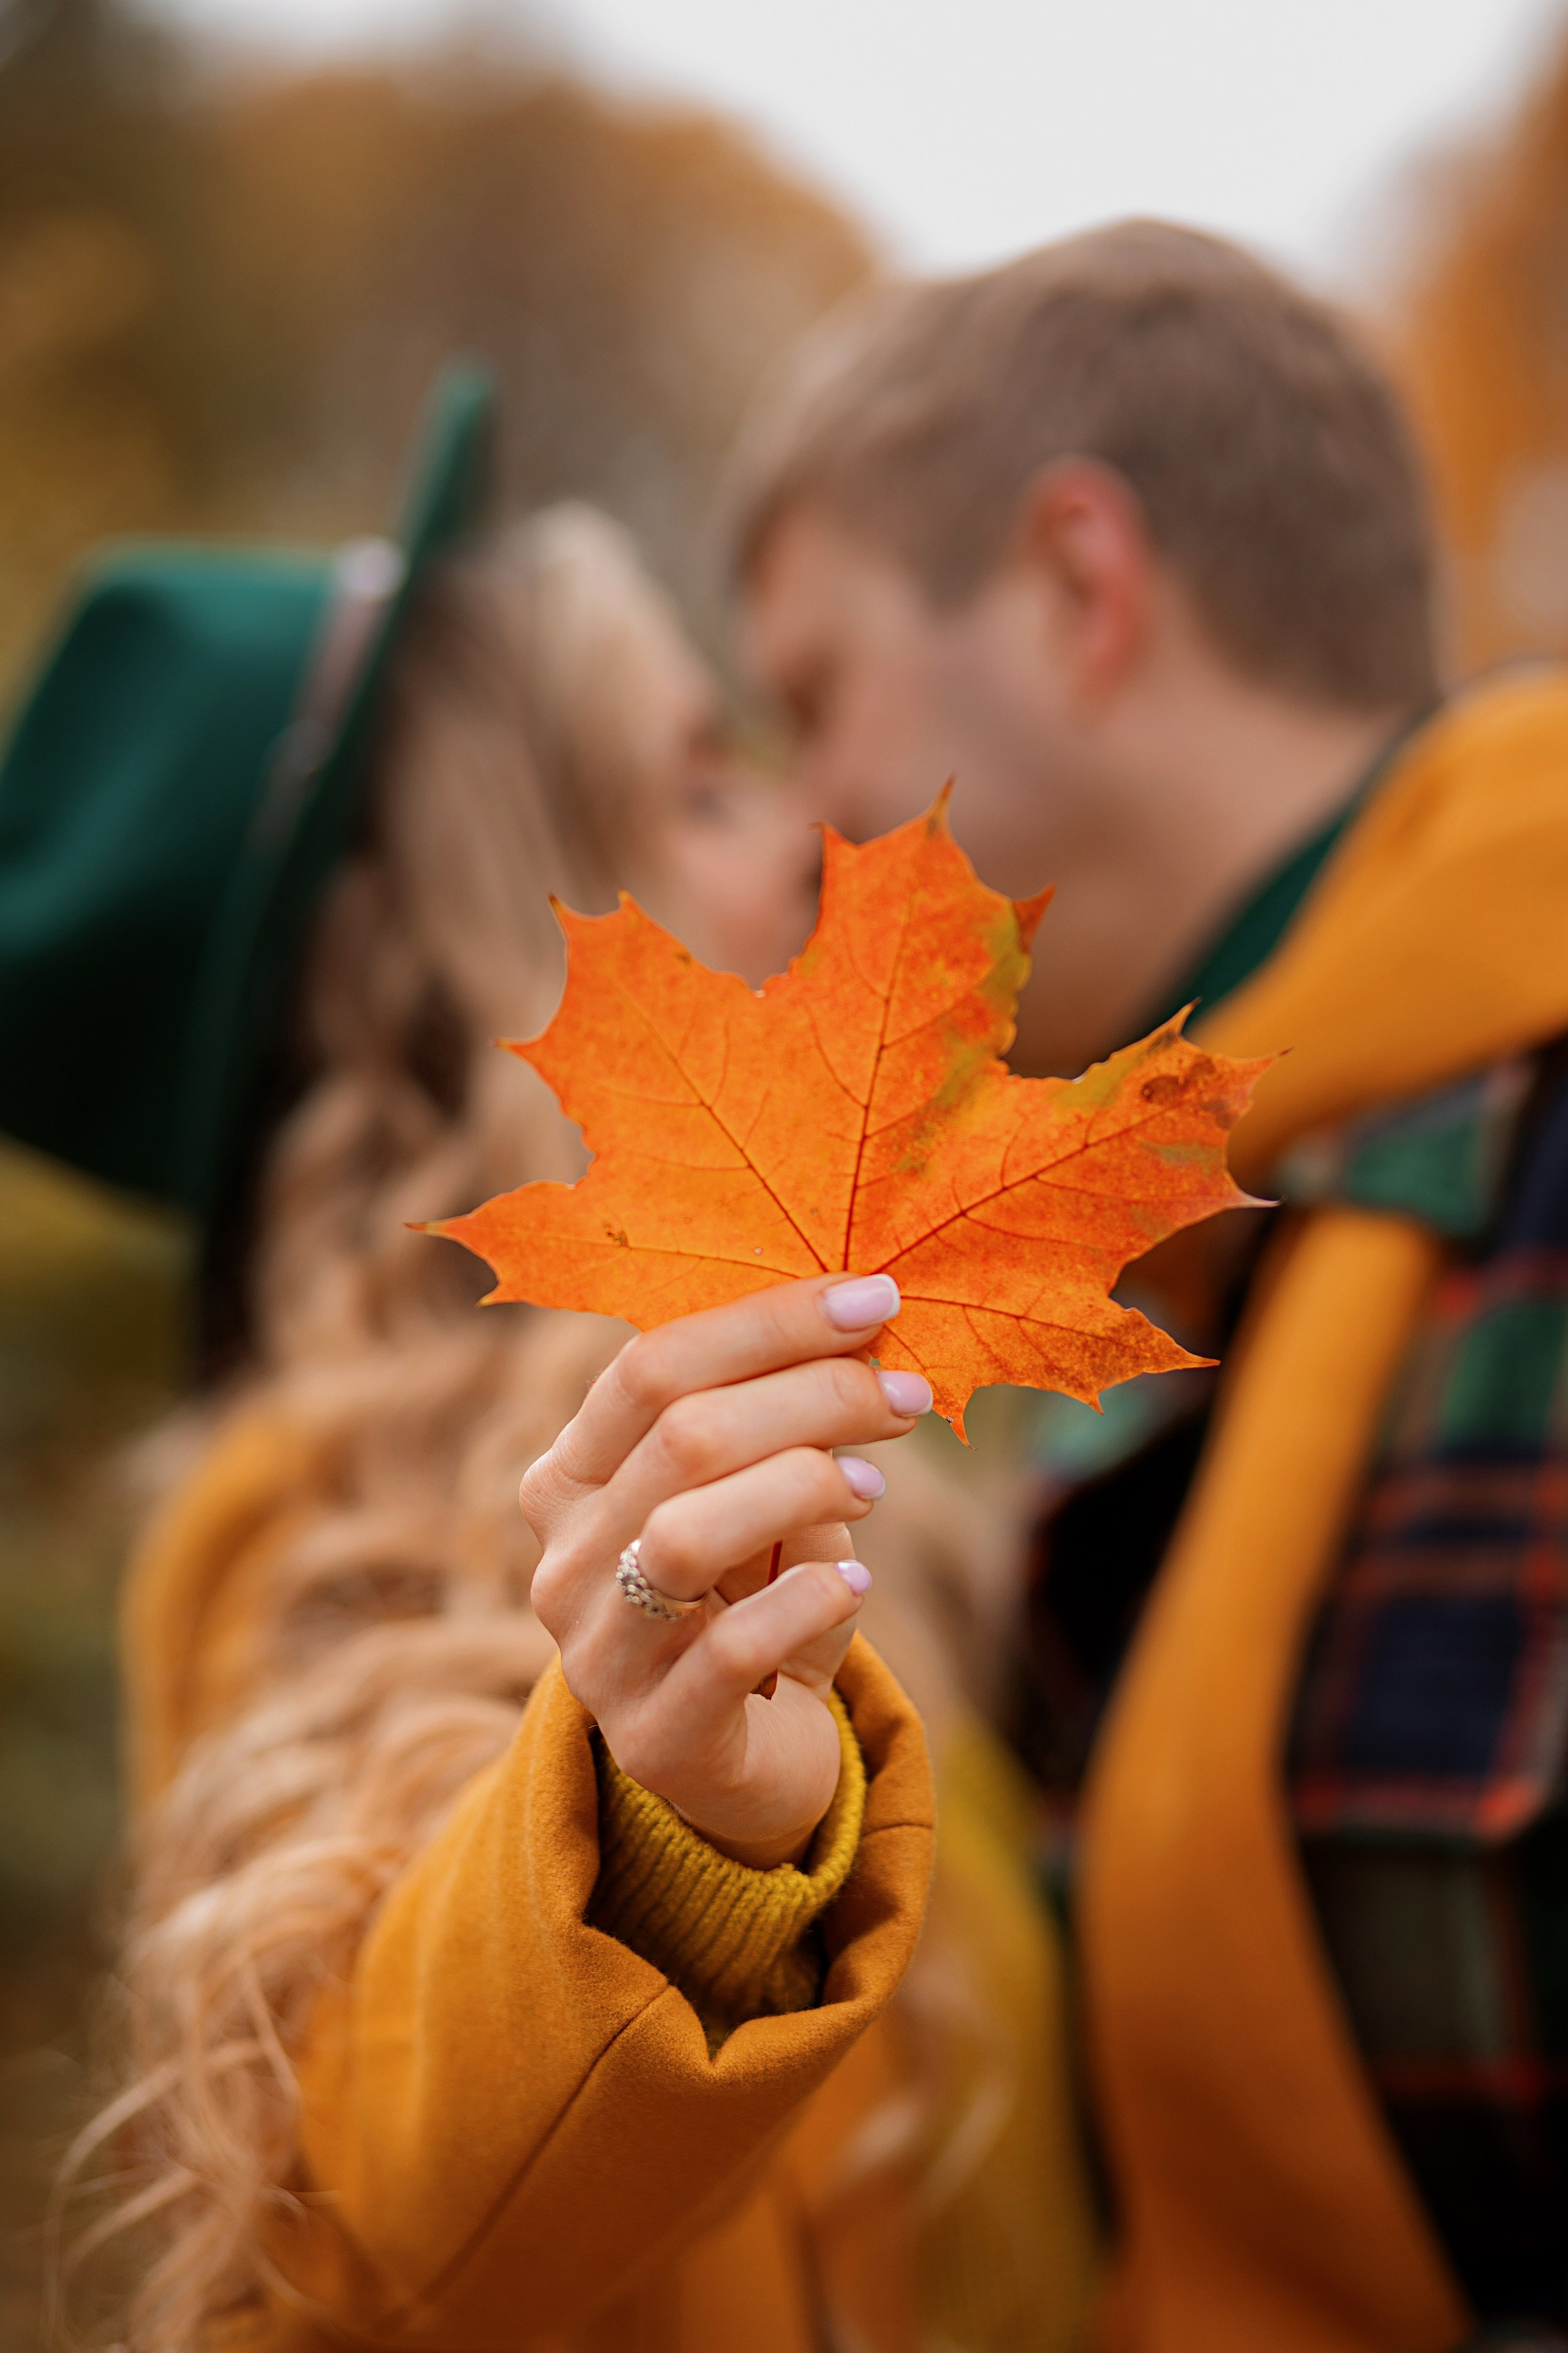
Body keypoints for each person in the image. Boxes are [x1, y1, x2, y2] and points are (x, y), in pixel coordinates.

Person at [9, 377, 1096, 2353]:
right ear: (490, 967)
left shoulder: (875, 1469)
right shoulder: (305, 1543)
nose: (804, 838)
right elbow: (361, 2206)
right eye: (695, 785)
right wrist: (673, 1835)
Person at [734, 219, 1568, 2347]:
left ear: (1081, 591)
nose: (812, 832)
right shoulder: (1256, 1252)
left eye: (815, 693)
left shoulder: (1515, 1173)